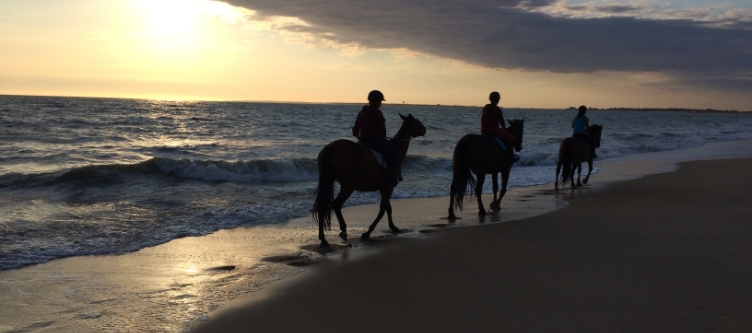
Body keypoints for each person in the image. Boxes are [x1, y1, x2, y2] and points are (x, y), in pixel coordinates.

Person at [352, 90, 401, 183]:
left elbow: (355, 128)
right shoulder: (377, 113)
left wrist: (357, 136)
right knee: (395, 151)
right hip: (375, 139)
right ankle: (391, 176)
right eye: (380, 102)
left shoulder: (361, 112)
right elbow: (382, 129)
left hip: (363, 139)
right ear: (375, 101)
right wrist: (384, 137)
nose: (381, 104)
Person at [480, 91, 519, 163]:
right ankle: (510, 156)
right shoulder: (497, 109)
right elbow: (502, 122)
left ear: (490, 99)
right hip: (493, 130)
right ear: (498, 100)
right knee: (512, 138)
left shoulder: (485, 107)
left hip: (483, 130)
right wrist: (504, 130)